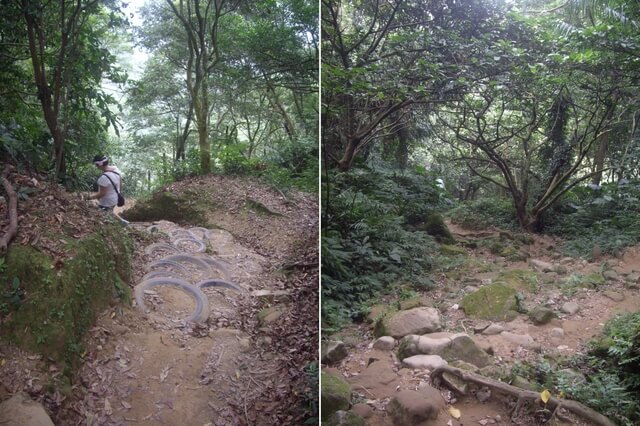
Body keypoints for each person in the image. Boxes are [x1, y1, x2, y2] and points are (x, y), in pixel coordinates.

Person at [85, 155, 129, 224]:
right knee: (109, 213)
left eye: (96, 165)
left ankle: (123, 224)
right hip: (116, 198)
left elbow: (102, 193)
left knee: (103, 214)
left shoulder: (103, 178)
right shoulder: (115, 169)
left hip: (107, 202)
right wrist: (119, 192)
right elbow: (120, 182)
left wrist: (88, 197)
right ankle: (123, 222)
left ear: (98, 165)